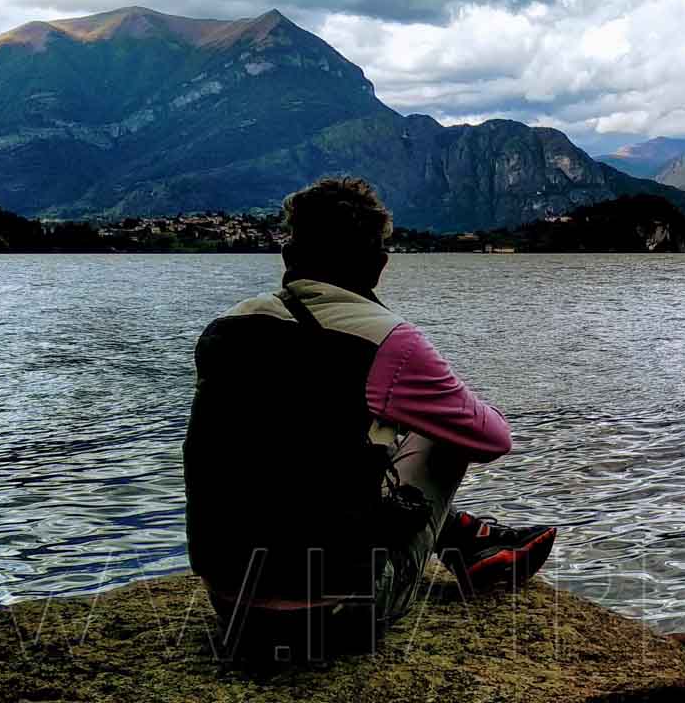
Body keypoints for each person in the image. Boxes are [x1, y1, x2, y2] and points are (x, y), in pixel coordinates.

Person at [183, 176, 556, 663]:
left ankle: (464, 538)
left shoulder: (226, 327)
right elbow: (491, 438)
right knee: (444, 434)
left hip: (230, 604)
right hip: (330, 616)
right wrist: (407, 406)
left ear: (288, 255)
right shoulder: (386, 340)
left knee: (300, 442)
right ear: (378, 264)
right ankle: (463, 543)